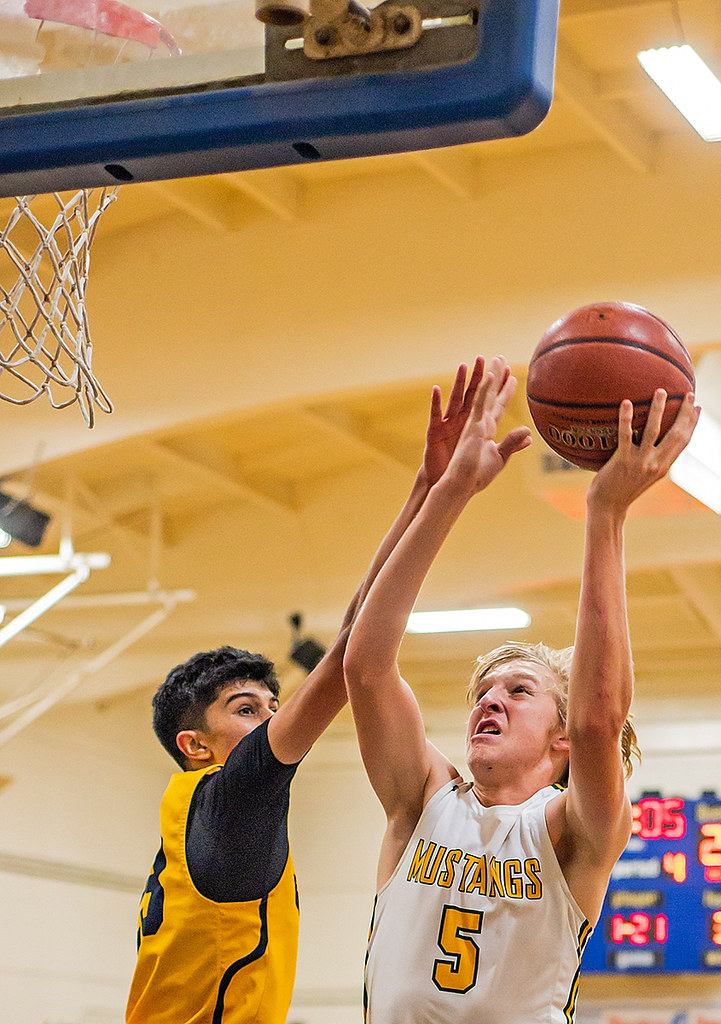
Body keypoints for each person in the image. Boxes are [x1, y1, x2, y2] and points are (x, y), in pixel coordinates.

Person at [125, 359, 488, 1024]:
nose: (272, 718)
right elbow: (354, 653)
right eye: (246, 710)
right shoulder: (230, 799)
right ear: (195, 745)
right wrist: (448, 495)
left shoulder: (200, 816)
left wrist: (424, 485)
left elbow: (352, 633)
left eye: (271, 705)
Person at [343, 357, 700, 1024]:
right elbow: (365, 667)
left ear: (560, 737)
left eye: (518, 690)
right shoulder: (421, 802)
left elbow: (598, 720)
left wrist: (605, 512)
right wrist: (449, 489)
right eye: (484, 691)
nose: (489, 700)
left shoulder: (572, 831)